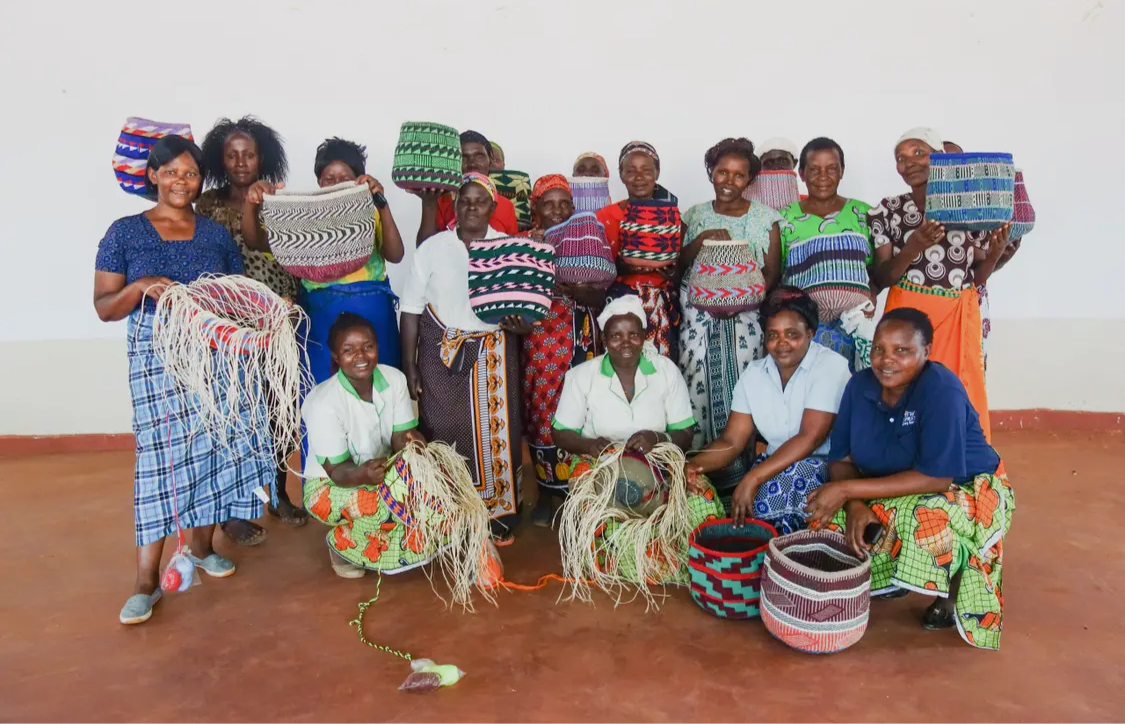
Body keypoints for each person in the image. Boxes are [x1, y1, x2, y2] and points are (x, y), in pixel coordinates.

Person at [94, 135, 271, 624]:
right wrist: (138, 287)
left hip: (214, 355)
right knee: (158, 456)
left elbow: (238, 297)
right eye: (170, 171)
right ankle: (146, 582)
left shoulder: (214, 235)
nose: (180, 181)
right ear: (152, 176)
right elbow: (104, 307)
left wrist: (266, 320)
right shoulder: (125, 232)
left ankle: (200, 547)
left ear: (199, 180)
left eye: (189, 173)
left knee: (214, 445)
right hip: (155, 355)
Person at [805, 309, 1014, 651]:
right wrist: (854, 504)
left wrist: (845, 490)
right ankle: (894, 577)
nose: (887, 360)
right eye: (879, 349)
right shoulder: (859, 387)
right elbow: (841, 459)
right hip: (887, 486)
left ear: (926, 351)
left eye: (902, 350)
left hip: (967, 489)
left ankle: (952, 593)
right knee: (822, 516)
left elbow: (937, 478)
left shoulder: (941, 389)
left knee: (924, 517)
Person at [400, 173, 531, 546]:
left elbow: (526, 319)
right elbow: (410, 310)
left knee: (499, 437)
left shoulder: (509, 248)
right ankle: (452, 515)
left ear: (493, 207)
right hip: (440, 355)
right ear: (455, 206)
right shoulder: (433, 247)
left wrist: (519, 326)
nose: (471, 205)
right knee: (443, 435)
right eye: (464, 200)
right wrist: (409, 365)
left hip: (494, 354)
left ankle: (499, 516)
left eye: (480, 200)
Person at [552, 296, 724, 580]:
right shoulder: (582, 376)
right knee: (592, 500)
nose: (626, 343)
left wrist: (658, 437)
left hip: (659, 459)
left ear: (644, 337)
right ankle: (611, 566)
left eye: (633, 335)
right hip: (600, 462)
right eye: (616, 336)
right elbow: (560, 433)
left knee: (699, 497)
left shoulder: (665, 372)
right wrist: (589, 445)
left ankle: (692, 565)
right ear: (604, 339)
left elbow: (685, 433)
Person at [197, 116, 307, 539]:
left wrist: (294, 295)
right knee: (234, 412)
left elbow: (292, 252)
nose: (241, 162)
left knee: (280, 409)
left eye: (249, 154)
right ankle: (234, 508)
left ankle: (279, 493)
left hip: (278, 315)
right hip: (227, 323)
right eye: (232, 155)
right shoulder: (205, 205)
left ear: (263, 156)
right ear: (219, 160)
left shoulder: (279, 199)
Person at [868, 128, 1010, 441]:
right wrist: (912, 247)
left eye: (919, 152)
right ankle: (903, 465)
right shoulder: (887, 210)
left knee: (957, 391)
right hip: (906, 317)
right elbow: (881, 277)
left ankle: (958, 467)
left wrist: (996, 253)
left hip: (957, 315)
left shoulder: (969, 210)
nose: (909, 163)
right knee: (906, 391)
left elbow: (977, 277)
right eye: (901, 158)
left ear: (940, 158)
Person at [686, 287, 851, 528]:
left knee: (795, 481)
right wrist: (694, 465)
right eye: (773, 335)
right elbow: (732, 440)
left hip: (824, 467)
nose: (781, 343)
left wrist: (753, 478)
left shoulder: (830, 366)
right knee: (697, 488)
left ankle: (786, 554)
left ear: (811, 333)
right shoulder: (754, 375)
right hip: (772, 469)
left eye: (792, 334)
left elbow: (810, 438)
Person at [244, 138, 406, 381]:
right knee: (321, 385)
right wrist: (251, 204)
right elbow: (256, 241)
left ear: (361, 180)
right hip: (320, 314)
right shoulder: (303, 217)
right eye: (329, 178)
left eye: (345, 178)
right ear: (319, 181)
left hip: (373, 311)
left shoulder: (370, 212)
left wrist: (381, 203)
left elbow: (396, 254)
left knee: (383, 382)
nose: (337, 184)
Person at [679, 138, 782, 490]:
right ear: (711, 172)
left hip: (745, 324)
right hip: (698, 323)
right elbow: (677, 266)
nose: (729, 180)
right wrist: (703, 238)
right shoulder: (694, 215)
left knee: (743, 396)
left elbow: (771, 274)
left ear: (750, 179)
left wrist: (736, 301)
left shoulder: (765, 219)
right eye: (722, 171)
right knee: (697, 390)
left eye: (739, 175)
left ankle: (741, 483)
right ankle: (700, 484)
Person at [301, 312, 429, 578]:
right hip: (330, 484)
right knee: (376, 501)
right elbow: (338, 471)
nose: (361, 356)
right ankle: (341, 544)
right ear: (336, 356)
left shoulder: (393, 379)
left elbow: (401, 436)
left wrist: (413, 446)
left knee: (428, 479)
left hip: (377, 469)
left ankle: (381, 536)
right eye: (348, 350)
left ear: (377, 347)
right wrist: (363, 476)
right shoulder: (324, 403)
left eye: (368, 347)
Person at [522, 175, 606, 526]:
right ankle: (546, 493)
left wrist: (576, 290)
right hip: (540, 342)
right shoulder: (524, 242)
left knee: (581, 409)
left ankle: (580, 492)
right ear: (536, 208)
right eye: (548, 204)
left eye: (564, 204)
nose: (557, 211)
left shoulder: (588, 238)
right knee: (542, 412)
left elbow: (601, 292)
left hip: (581, 338)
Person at [778, 137, 875, 371]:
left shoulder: (863, 213)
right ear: (801, 173)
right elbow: (777, 276)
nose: (823, 176)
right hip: (804, 328)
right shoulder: (783, 218)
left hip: (854, 324)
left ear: (842, 171)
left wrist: (870, 297)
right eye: (814, 169)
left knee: (851, 390)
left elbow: (875, 269)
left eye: (832, 168)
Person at [596, 141, 681, 359]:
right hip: (618, 306)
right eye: (631, 171)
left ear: (657, 173)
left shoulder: (670, 213)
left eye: (646, 170)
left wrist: (672, 271)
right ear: (621, 175)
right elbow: (596, 267)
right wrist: (618, 268)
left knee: (658, 368)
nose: (639, 177)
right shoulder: (605, 217)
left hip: (659, 305)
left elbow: (678, 260)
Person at [417, 130, 519, 243]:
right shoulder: (441, 201)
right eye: (463, 158)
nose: (472, 163)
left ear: (490, 160)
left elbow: (511, 251)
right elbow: (425, 251)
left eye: (479, 156)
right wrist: (428, 204)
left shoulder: (506, 206)